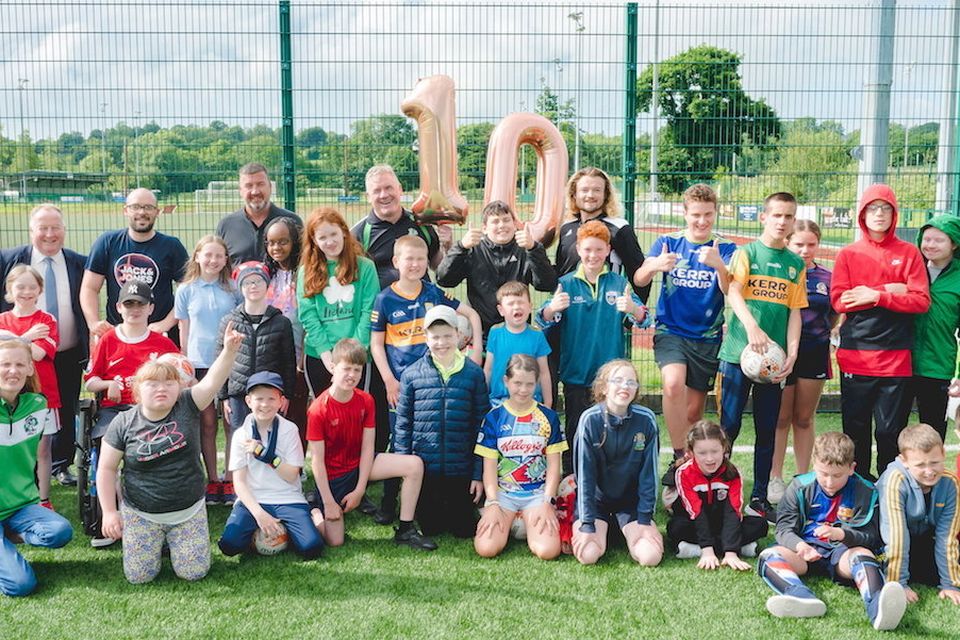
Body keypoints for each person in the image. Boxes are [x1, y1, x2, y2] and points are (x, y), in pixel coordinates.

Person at [97, 322, 243, 584]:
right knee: (139, 577)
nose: (161, 388)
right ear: (138, 391)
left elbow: (212, 382)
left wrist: (230, 350)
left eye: (168, 382)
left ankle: (174, 541)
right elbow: (106, 469)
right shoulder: (124, 422)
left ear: (180, 387)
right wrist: (109, 511)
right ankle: (155, 542)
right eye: (152, 384)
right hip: (141, 513)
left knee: (193, 573)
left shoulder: (187, 404)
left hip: (187, 510)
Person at [369, 235, 481, 523]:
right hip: (401, 385)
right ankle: (388, 501)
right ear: (396, 262)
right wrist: (389, 381)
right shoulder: (385, 299)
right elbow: (376, 345)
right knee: (400, 442)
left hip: (433, 382)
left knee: (427, 438)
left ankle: (428, 495)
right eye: (409, 259)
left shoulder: (433, 294)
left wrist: (476, 346)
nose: (416, 264)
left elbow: (469, 313)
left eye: (420, 259)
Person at [716, 192, 807, 522]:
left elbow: (795, 312)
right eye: (778, 215)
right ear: (763, 218)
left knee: (767, 429)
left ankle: (758, 498)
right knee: (729, 424)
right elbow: (734, 292)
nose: (783, 222)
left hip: (773, 361)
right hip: (738, 355)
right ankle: (719, 487)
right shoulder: (748, 253)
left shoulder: (795, 264)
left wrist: (793, 351)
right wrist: (752, 327)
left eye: (789, 216)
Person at [757, 432, 907, 630]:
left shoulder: (866, 491)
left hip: (843, 554)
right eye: (823, 474)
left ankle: (878, 607)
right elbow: (784, 529)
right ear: (814, 465)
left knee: (862, 555)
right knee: (768, 555)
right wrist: (799, 545)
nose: (829, 482)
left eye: (837, 475)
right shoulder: (799, 487)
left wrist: (843, 535)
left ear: (851, 469)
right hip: (805, 554)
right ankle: (800, 596)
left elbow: (872, 538)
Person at [831, 183, 930, 480]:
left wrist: (877, 296)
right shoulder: (848, 254)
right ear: (862, 213)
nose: (879, 214)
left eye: (885, 208)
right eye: (873, 208)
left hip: (895, 359)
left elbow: (921, 300)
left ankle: (890, 487)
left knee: (889, 432)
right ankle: (860, 488)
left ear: (895, 214)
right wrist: (890, 289)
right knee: (856, 430)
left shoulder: (909, 253)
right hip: (856, 357)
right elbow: (840, 300)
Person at [634, 183, 735, 467]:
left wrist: (718, 266)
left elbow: (730, 290)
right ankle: (679, 457)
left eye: (708, 214)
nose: (702, 221)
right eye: (696, 215)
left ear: (715, 213)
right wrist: (656, 266)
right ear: (685, 213)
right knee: (673, 384)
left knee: (693, 412)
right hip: (671, 331)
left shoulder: (724, 247)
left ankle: (695, 460)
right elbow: (640, 278)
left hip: (707, 336)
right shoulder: (668, 242)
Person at [537, 221, 648, 467]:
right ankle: (573, 482)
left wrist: (633, 310)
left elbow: (644, 319)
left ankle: (609, 481)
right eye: (587, 249)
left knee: (611, 433)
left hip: (612, 379)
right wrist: (551, 310)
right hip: (577, 373)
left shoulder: (619, 284)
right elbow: (542, 318)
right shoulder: (565, 284)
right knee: (577, 432)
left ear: (608, 250)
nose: (593, 255)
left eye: (599, 250)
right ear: (578, 249)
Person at [307, 338, 436, 550]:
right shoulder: (318, 409)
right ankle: (314, 510)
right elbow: (317, 461)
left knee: (414, 465)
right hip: (334, 476)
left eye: (357, 370)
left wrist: (359, 490)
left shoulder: (366, 400)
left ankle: (405, 529)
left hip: (360, 465)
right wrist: (329, 502)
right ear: (332, 367)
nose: (352, 375)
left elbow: (368, 448)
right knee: (335, 541)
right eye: (346, 368)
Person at [1, 203, 88, 485]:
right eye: (43, 228)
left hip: (66, 351)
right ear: (31, 231)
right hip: (16, 359)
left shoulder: (79, 262)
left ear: (64, 231)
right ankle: (21, 468)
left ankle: (61, 465)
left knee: (63, 407)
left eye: (55, 228)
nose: (49, 234)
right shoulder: (9, 260)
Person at [393, 305, 489, 538]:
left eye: (447, 336)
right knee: (432, 528)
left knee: (463, 530)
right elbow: (403, 426)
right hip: (428, 470)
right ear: (425, 338)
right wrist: (404, 470)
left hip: (461, 470)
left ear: (458, 335)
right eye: (435, 337)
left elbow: (482, 426)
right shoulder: (411, 375)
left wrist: (478, 475)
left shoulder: (473, 374)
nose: (442, 342)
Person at [217, 371, 324, 560]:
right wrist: (259, 514)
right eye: (259, 399)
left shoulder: (290, 429)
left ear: (281, 401)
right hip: (255, 498)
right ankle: (261, 529)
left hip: (287, 498)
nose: (265, 405)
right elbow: (239, 484)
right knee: (229, 545)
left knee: (311, 548)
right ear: (248, 401)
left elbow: (292, 475)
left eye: (271, 399)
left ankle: (308, 515)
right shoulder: (241, 435)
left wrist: (266, 455)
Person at [769, 220, 838, 504]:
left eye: (811, 244)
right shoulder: (779, 272)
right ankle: (775, 477)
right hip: (782, 353)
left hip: (814, 351)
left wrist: (827, 333)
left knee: (804, 418)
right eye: (799, 244)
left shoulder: (826, 277)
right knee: (781, 417)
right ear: (787, 242)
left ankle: (803, 477)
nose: (805, 250)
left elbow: (834, 313)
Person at [216, 261, 296, 505]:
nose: (253, 286)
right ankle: (242, 490)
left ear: (267, 285)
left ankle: (271, 488)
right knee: (242, 439)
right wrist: (223, 396)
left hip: (269, 393)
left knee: (271, 437)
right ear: (240, 287)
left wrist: (287, 394)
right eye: (248, 282)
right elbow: (220, 359)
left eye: (258, 281)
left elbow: (288, 360)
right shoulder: (229, 320)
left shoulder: (280, 322)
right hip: (240, 393)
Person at [474, 354, 566, 560]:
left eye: (529, 384)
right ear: (506, 382)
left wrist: (547, 501)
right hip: (504, 495)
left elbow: (553, 466)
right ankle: (514, 522)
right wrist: (493, 503)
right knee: (486, 548)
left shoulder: (548, 417)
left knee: (548, 551)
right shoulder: (494, 417)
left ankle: (525, 522)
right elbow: (488, 467)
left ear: (537, 384)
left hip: (536, 495)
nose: (523, 390)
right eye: (517, 383)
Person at [572, 359, 662, 567]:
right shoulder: (589, 419)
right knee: (588, 555)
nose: (625, 387)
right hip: (597, 502)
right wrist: (587, 524)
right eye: (618, 380)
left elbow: (649, 474)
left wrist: (645, 520)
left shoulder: (646, 420)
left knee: (650, 557)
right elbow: (584, 477)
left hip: (629, 503)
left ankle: (622, 529)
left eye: (631, 382)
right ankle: (605, 529)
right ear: (604, 387)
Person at [0, 340, 72, 597]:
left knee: (60, 532)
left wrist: (42, 499)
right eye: (5, 364)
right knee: (20, 585)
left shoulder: (38, 405)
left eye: (20, 364)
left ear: (31, 368)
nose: (12, 370)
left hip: (19, 506)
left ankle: (5, 537)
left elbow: (40, 456)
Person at [174, 236, 242, 505]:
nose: (213, 261)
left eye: (219, 256)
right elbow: (184, 328)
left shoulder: (233, 289)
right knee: (207, 422)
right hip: (200, 364)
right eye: (208, 255)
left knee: (231, 420)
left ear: (226, 260)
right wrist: (186, 364)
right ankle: (212, 479)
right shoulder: (186, 289)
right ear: (198, 257)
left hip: (227, 361)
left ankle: (230, 478)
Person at [80, 187, 189, 346]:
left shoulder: (171, 246)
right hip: (119, 335)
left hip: (159, 335)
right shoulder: (107, 242)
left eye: (148, 207)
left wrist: (165, 323)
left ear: (157, 212)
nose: (142, 212)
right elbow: (89, 288)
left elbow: (188, 292)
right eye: (136, 206)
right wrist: (93, 323)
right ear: (126, 210)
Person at [436, 199, 557, 337]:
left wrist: (534, 249)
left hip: (517, 331)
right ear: (484, 228)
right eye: (495, 221)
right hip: (480, 335)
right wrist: (461, 247)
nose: (502, 225)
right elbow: (444, 280)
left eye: (506, 220)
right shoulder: (473, 250)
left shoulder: (526, 249)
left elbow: (547, 284)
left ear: (514, 224)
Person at [298, 207, 379, 396]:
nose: (330, 241)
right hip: (320, 355)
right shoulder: (306, 271)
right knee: (325, 414)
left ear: (344, 231)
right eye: (322, 238)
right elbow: (307, 314)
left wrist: (352, 355)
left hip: (356, 356)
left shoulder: (365, 267)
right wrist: (326, 354)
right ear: (314, 242)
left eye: (334, 234)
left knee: (355, 414)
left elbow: (369, 311)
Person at [876, 424, 960, 605]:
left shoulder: (950, 483)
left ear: (944, 454)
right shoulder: (895, 480)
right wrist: (899, 584)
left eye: (935, 462)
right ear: (903, 461)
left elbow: (947, 537)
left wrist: (950, 584)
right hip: (886, 544)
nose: (929, 471)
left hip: (921, 542)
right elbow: (896, 536)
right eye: (920, 465)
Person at [668, 420, 767, 569]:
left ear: (724, 449)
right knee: (675, 527)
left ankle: (695, 549)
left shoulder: (733, 473)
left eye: (714, 451)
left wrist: (731, 552)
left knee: (760, 525)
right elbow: (696, 512)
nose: (709, 459)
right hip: (696, 523)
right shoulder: (683, 473)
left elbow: (732, 513)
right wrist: (707, 550)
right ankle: (737, 547)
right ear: (691, 452)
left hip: (722, 523)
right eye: (702, 453)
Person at [0, 266, 60, 510]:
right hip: (8, 396)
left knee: (42, 450)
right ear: (10, 290)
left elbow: (38, 352)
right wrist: (27, 336)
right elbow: (26, 346)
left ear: (40, 290)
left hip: (42, 395)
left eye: (32, 287)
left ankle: (43, 499)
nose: (26, 292)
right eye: (20, 286)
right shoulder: (2, 319)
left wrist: (11, 337)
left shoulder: (46, 320)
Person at [554, 167, 650, 302]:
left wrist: (635, 317)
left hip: (605, 310)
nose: (590, 195)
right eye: (584, 190)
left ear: (606, 195)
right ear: (574, 194)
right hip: (570, 310)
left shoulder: (619, 228)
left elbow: (638, 274)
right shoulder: (566, 228)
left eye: (597, 190)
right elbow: (560, 271)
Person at [350, 164, 451, 290]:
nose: (384, 195)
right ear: (368, 197)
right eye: (377, 190)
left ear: (400, 189)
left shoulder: (422, 223)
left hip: (421, 306)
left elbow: (438, 266)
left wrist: (447, 247)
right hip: (381, 308)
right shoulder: (358, 234)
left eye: (388, 188)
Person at [906, 216, 960, 440]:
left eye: (939, 240)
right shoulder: (910, 269)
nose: (930, 245)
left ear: (954, 244)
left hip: (938, 366)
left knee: (933, 430)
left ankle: (933, 475)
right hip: (901, 363)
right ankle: (892, 475)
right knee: (891, 429)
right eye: (926, 239)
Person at [262, 216, 309, 449]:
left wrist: (302, 361)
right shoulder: (266, 274)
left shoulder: (305, 275)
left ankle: (296, 466)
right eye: (271, 242)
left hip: (297, 358)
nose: (276, 248)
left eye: (283, 241)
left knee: (297, 414)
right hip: (270, 358)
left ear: (295, 243)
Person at [215, 163, 302, 265]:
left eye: (260, 184)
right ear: (240, 191)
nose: (255, 191)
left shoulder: (292, 221)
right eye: (249, 186)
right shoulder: (226, 225)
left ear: (270, 187)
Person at [483, 281, 552, 408]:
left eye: (521, 302)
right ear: (501, 310)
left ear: (530, 307)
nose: (516, 307)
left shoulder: (537, 336)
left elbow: (544, 372)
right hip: (499, 400)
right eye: (511, 304)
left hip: (530, 399)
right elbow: (488, 368)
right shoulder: (495, 332)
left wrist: (548, 403)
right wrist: (481, 398)